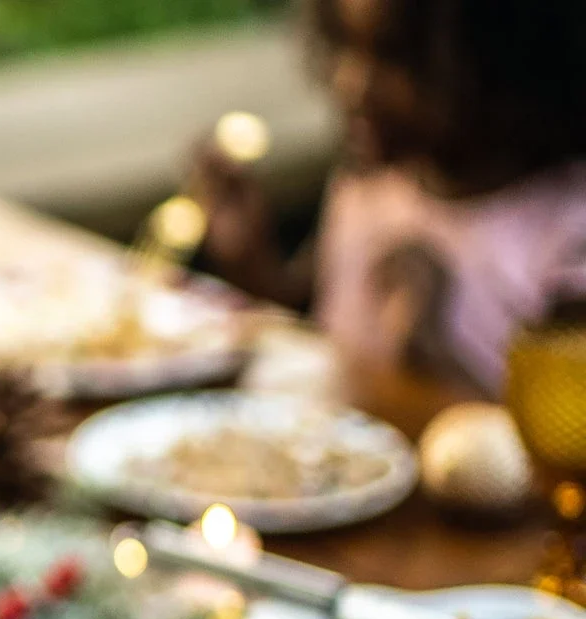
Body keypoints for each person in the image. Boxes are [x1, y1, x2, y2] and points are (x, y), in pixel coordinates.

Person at [192, 0, 586, 424]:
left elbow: (549, 452)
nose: (351, 83)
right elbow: (321, 324)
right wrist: (251, 262)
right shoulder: (371, 181)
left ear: (509, 62)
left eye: (395, 56)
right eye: (343, 45)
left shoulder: (566, 230)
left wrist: (427, 343)